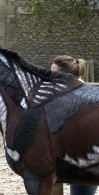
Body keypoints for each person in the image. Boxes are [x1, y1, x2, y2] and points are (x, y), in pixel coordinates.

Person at [51, 55, 97, 195]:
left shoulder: (86, 98)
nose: (48, 76)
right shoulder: (54, 95)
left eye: (53, 72)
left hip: (84, 160)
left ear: (65, 76)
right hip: (60, 160)